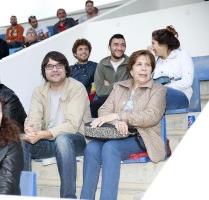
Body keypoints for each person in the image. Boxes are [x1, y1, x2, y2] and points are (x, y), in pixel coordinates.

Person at [80, 50, 167, 200]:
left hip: (142, 135)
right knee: (92, 148)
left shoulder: (158, 90)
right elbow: (104, 110)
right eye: (139, 64)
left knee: (110, 148)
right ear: (131, 70)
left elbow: (151, 116)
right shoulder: (119, 86)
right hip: (116, 133)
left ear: (152, 70)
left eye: (148, 65)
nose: (144, 68)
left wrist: (121, 116)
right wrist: (115, 121)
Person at [22, 51, 91, 198]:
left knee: (63, 139)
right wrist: (31, 129)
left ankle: (68, 196)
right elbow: (34, 116)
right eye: (50, 66)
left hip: (76, 140)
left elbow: (72, 125)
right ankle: (24, 195)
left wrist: (43, 134)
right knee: (21, 142)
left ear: (66, 68)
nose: (54, 70)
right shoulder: (39, 90)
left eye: (59, 65)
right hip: (49, 141)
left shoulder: (77, 88)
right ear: (44, 71)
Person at [150, 25, 194, 110]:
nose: (152, 47)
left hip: (180, 96)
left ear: (163, 44)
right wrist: (149, 57)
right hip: (159, 97)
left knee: (158, 93)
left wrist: (164, 88)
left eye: (153, 43)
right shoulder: (156, 61)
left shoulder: (182, 55)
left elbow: (187, 81)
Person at [91, 34, 130, 118]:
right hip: (106, 100)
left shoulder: (130, 63)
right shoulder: (102, 64)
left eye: (123, 45)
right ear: (109, 47)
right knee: (93, 106)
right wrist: (120, 84)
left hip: (125, 100)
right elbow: (100, 91)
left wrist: (110, 85)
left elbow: (129, 88)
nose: (119, 48)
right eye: (116, 45)